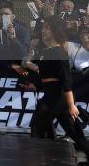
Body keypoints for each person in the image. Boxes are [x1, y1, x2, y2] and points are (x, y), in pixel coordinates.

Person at [27, 16, 89, 159]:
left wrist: (71, 105)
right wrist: (34, 84)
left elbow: (66, 82)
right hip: (51, 97)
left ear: (55, 31)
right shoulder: (46, 52)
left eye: (48, 28)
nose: (44, 31)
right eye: (43, 28)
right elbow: (45, 75)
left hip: (56, 99)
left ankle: (42, 158)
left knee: (38, 127)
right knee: (77, 136)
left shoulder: (59, 53)